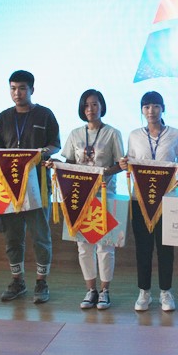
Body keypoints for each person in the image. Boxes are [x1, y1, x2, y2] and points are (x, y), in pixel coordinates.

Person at [0, 70, 60, 303]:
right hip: (10, 186)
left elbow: (55, 145)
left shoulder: (45, 114)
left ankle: (41, 282)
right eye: (13, 88)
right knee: (12, 237)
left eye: (22, 88)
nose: (17, 93)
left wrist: (43, 152)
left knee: (40, 236)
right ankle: (17, 281)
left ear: (32, 89)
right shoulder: (3, 117)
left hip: (38, 185)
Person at [119, 91, 178, 312]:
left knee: (165, 246)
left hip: (167, 200)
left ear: (163, 108)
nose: (151, 111)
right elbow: (130, 160)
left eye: (156, 106)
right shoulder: (134, 135)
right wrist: (124, 164)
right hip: (140, 199)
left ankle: (166, 292)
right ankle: (144, 292)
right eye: (147, 107)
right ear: (142, 110)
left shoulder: (174, 134)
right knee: (143, 247)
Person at [59, 89, 124, 310]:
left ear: (102, 106)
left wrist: (102, 173)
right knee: (83, 246)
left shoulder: (112, 133)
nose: (90, 109)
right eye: (86, 105)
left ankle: (105, 291)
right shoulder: (75, 134)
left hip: (105, 195)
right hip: (80, 196)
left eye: (95, 104)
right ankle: (90, 290)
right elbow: (69, 162)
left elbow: (120, 164)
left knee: (105, 245)